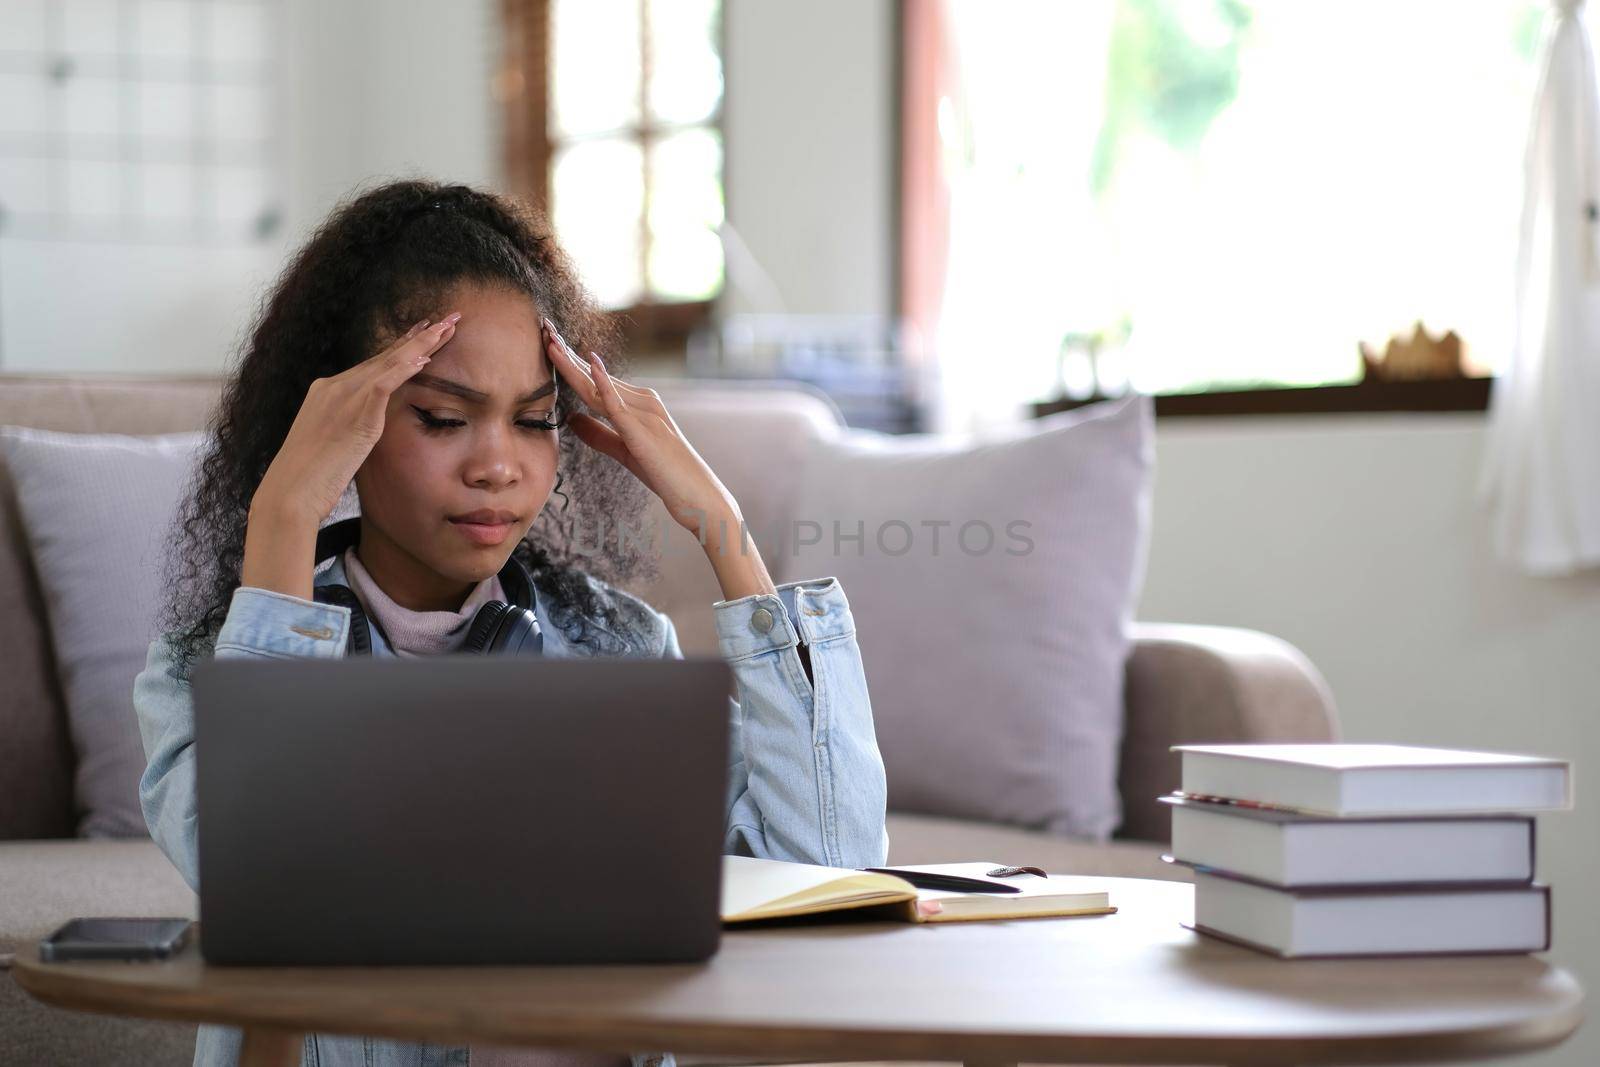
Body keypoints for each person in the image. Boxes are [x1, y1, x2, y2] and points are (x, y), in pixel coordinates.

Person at [132, 179, 890, 1067]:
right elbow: (267, 881)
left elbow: (829, 871)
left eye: (535, 421)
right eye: (444, 417)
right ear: (344, 418)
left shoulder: (620, 651)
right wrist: (284, 518)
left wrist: (721, 523)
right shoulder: (203, 668)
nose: (498, 465)